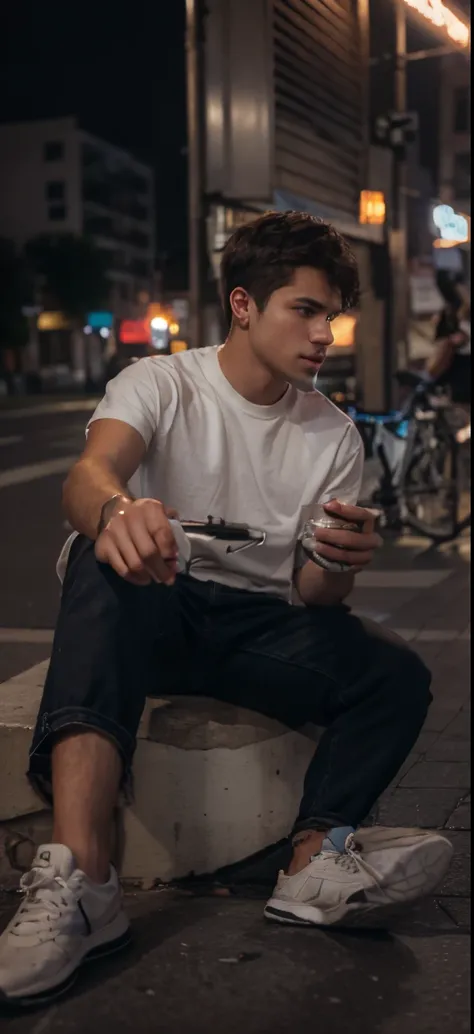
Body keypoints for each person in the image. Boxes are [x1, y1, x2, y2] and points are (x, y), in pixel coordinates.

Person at [0, 212, 452, 1007]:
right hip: (153, 601)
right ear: (243, 304)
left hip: (253, 626)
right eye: (305, 310)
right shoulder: (162, 382)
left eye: (332, 316)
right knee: (104, 566)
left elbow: (314, 597)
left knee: (395, 674)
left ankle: (313, 860)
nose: (325, 335)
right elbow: (91, 474)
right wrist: (115, 513)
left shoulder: (334, 436)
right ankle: (81, 885)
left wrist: (336, 567)